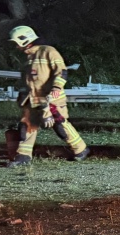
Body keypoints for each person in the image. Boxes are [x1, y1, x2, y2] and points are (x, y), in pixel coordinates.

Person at [7, 26, 89, 166]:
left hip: (52, 99)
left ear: (24, 40)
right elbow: (27, 81)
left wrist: (57, 87)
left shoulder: (49, 51)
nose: (16, 47)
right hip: (33, 99)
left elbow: (61, 71)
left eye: (16, 43)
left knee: (60, 125)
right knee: (27, 126)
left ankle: (80, 149)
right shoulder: (28, 58)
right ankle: (23, 156)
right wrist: (22, 94)